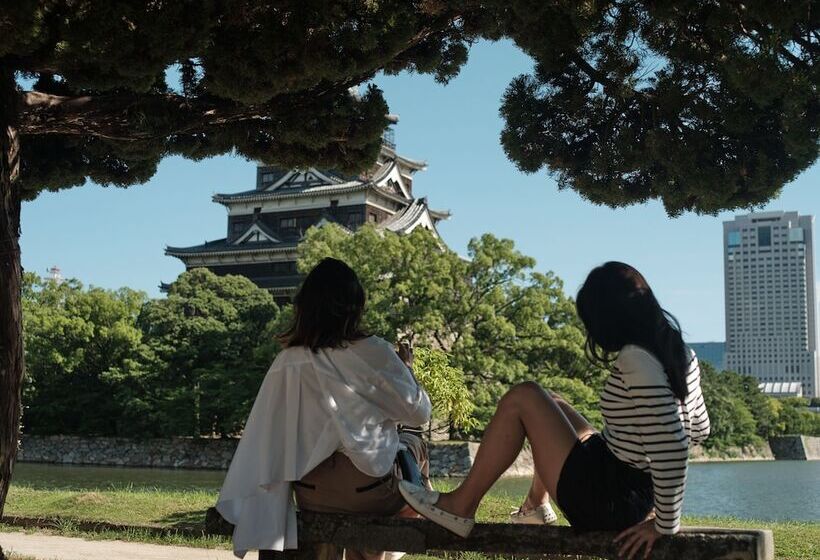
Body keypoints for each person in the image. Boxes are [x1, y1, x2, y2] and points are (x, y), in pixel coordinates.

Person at [400, 261, 710, 560]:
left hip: (611, 500)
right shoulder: (681, 353)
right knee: (553, 401)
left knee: (524, 396)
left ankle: (460, 506)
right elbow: (699, 430)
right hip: (626, 485)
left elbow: (673, 446)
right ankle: (536, 506)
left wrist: (664, 525)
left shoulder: (635, 359)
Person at [216, 257, 432, 560]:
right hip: (369, 493)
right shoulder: (375, 352)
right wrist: (407, 370)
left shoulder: (288, 362)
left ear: (304, 307)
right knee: (414, 444)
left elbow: (268, 437)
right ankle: (386, 542)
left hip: (310, 492)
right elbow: (419, 414)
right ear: (355, 306)